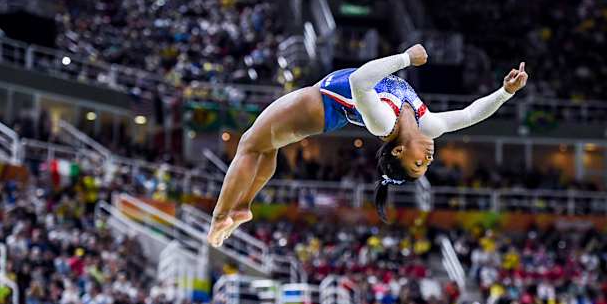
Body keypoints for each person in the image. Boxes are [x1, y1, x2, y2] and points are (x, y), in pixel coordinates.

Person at [207, 44, 528, 246]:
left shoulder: (384, 123)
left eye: (419, 163)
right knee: (265, 147)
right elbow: (470, 114)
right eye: (426, 165)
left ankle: (221, 215)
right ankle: (242, 206)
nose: (429, 159)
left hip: (320, 103)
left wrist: (405, 58)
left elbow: (361, 81)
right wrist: (505, 92)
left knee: (249, 144)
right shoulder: (426, 123)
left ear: (400, 150)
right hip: (321, 106)